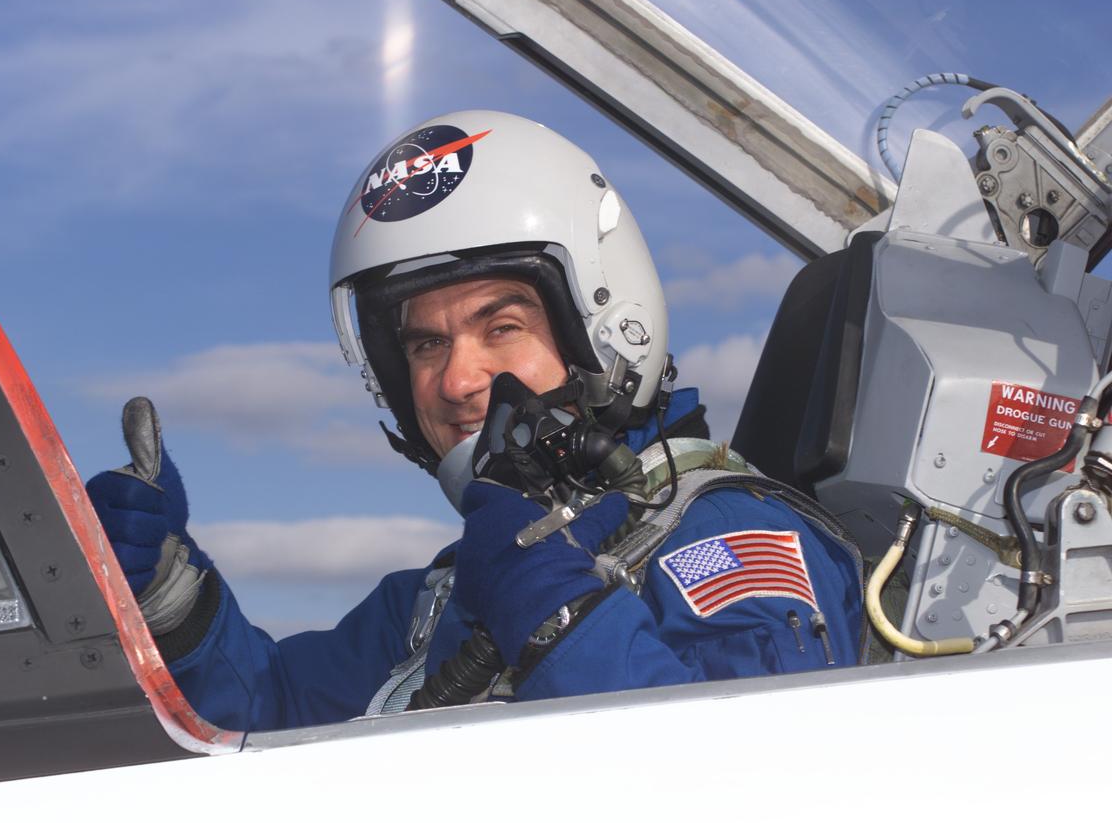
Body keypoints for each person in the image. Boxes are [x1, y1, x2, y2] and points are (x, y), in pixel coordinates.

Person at [86, 110, 865, 731]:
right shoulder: (444, 591)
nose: (457, 379)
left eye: (502, 328)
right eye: (426, 344)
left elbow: (755, 776)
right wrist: (169, 593)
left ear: (605, 330)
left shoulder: (726, 537)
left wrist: (555, 608)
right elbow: (276, 721)